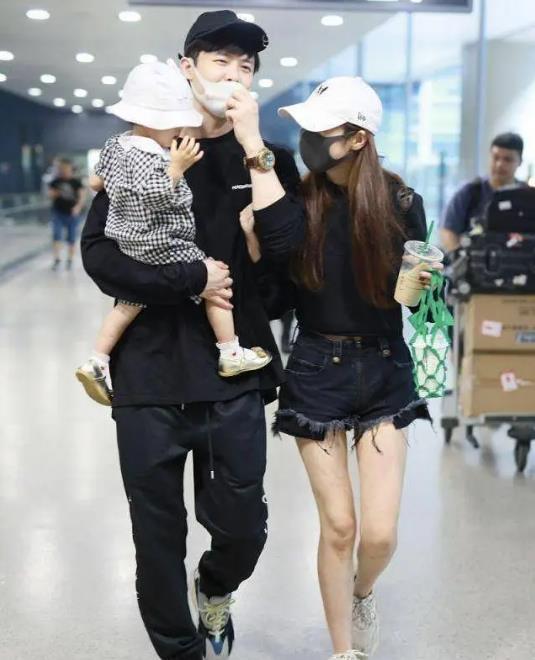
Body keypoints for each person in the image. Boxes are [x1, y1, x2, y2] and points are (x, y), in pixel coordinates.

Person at [80, 10, 303, 660]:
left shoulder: (268, 160)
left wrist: (253, 145)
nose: (232, 75)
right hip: (149, 374)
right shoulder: (142, 150)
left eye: (245, 65)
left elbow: (287, 258)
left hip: (234, 374)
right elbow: (101, 256)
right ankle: (179, 651)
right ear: (188, 69)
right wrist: (191, 278)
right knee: (156, 538)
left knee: (243, 526)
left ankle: (215, 587)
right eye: (218, 61)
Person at [253, 77, 436, 660]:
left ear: (358, 138)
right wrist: (255, 248)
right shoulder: (298, 205)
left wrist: (426, 282)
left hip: (385, 369)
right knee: (339, 528)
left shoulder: (402, 204)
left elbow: (413, 302)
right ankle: (342, 651)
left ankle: (361, 592)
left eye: (320, 129)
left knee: (379, 535)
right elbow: (274, 299)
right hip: (315, 369)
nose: (307, 139)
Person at [76, 61, 271, 407]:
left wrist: (121, 191)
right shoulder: (154, 157)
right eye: (175, 123)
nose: (180, 129)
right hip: (161, 241)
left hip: (127, 241)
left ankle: (97, 360)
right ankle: (230, 351)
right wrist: (176, 168)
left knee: (128, 302)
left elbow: (95, 181)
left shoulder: (115, 145)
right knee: (216, 280)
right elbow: (154, 194)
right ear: (157, 123)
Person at [440, 132, 526, 252]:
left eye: (508, 159)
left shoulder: (528, 197)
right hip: (475, 260)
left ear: (520, 161)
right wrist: (458, 258)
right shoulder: (470, 192)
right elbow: (448, 230)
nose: (500, 164)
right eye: (496, 157)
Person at [48, 157, 86, 270]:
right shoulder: (55, 182)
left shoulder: (76, 182)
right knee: (56, 235)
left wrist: (77, 208)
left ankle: (70, 259)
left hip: (72, 213)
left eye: (66, 168)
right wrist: (57, 192)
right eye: (62, 168)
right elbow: (50, 195)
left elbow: (82, 197)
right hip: (58, 212)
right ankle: (57, 259)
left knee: (71, 237)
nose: (64, 171)